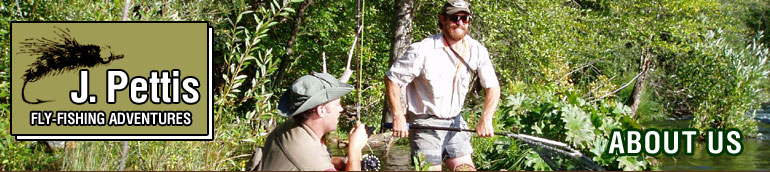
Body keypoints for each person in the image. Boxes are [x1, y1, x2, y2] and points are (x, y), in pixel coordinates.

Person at [385, 0, 501, 170]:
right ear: (443, 19)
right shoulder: (423, 50)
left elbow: (493, 87)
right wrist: (398, 116)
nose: (460, 23)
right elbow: (392, 79)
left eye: (465, 18)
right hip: (425, 125)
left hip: (455, 123)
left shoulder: (477, 50)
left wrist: (486, 118)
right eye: (454, 18)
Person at [258, 73, 368, 171]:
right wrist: (354, 151)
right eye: (337, 105)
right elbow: (313, 162)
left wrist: (344, 163)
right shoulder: (315, 164)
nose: (341, 109)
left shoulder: (287, 128)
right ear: (321, 111)